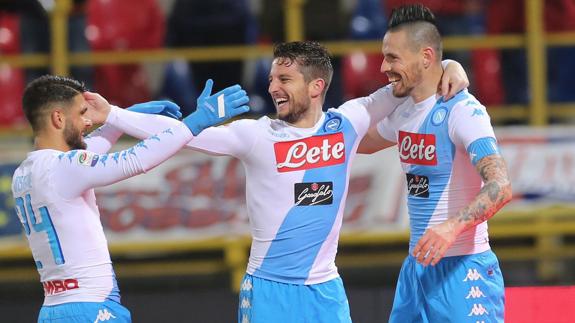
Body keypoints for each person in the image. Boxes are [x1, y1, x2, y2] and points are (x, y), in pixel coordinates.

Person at [102, 41, 468, 322]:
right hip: (268, 291)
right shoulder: (255, 135)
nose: (273, 87)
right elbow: (180, 135)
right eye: (272, 79)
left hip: (326, 291)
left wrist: (451, 64)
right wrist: (114, 115)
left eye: (284, 79)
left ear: (316, 86)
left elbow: (409, 79)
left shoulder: (349, 121)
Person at [11, 75, 249, 323]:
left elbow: (85, 155)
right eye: (82, 113)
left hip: (53, 310)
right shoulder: (63, 168)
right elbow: (134, 160)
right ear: (58, 118)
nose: (89, 121)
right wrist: (196, 122)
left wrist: (120, 120)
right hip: (90, 309)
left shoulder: (25, 172)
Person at [358, 4, 512, 322]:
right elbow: (354, 143)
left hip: (462, 267)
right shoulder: (402, 112)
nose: (384, 66)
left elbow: (501, 185)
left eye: (393, 58)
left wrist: (451, 227)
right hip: (416, 270)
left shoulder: (463, 111)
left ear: (426, 57)